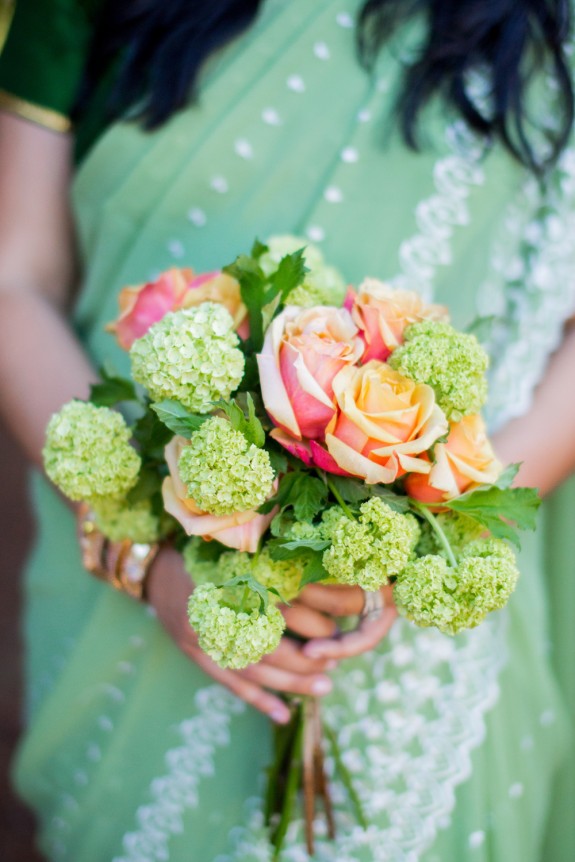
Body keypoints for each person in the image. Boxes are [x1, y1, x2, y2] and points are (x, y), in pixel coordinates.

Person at [0, 0, 574, 859]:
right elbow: (14, 278)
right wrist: (150, 555)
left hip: (418, 643)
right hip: (128, 601)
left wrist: (409, 538)